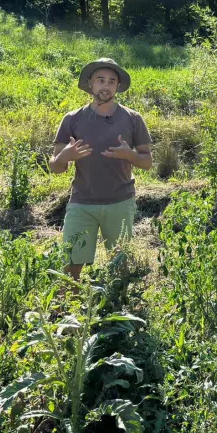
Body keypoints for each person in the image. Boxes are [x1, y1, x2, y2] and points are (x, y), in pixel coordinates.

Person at [49, 58, 152, 279]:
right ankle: (69, 310)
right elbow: (56, 167)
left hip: (120, 202)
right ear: (90, 84)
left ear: (118, 87)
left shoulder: (133, 119)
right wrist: (65, 156)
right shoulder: (72, 119)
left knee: (120, 265)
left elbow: (147, 162)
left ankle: (118, 308)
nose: (105, 86)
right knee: (71, 265)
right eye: (100, 80)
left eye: (111, 81)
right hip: (82, 203)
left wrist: (130, 155)